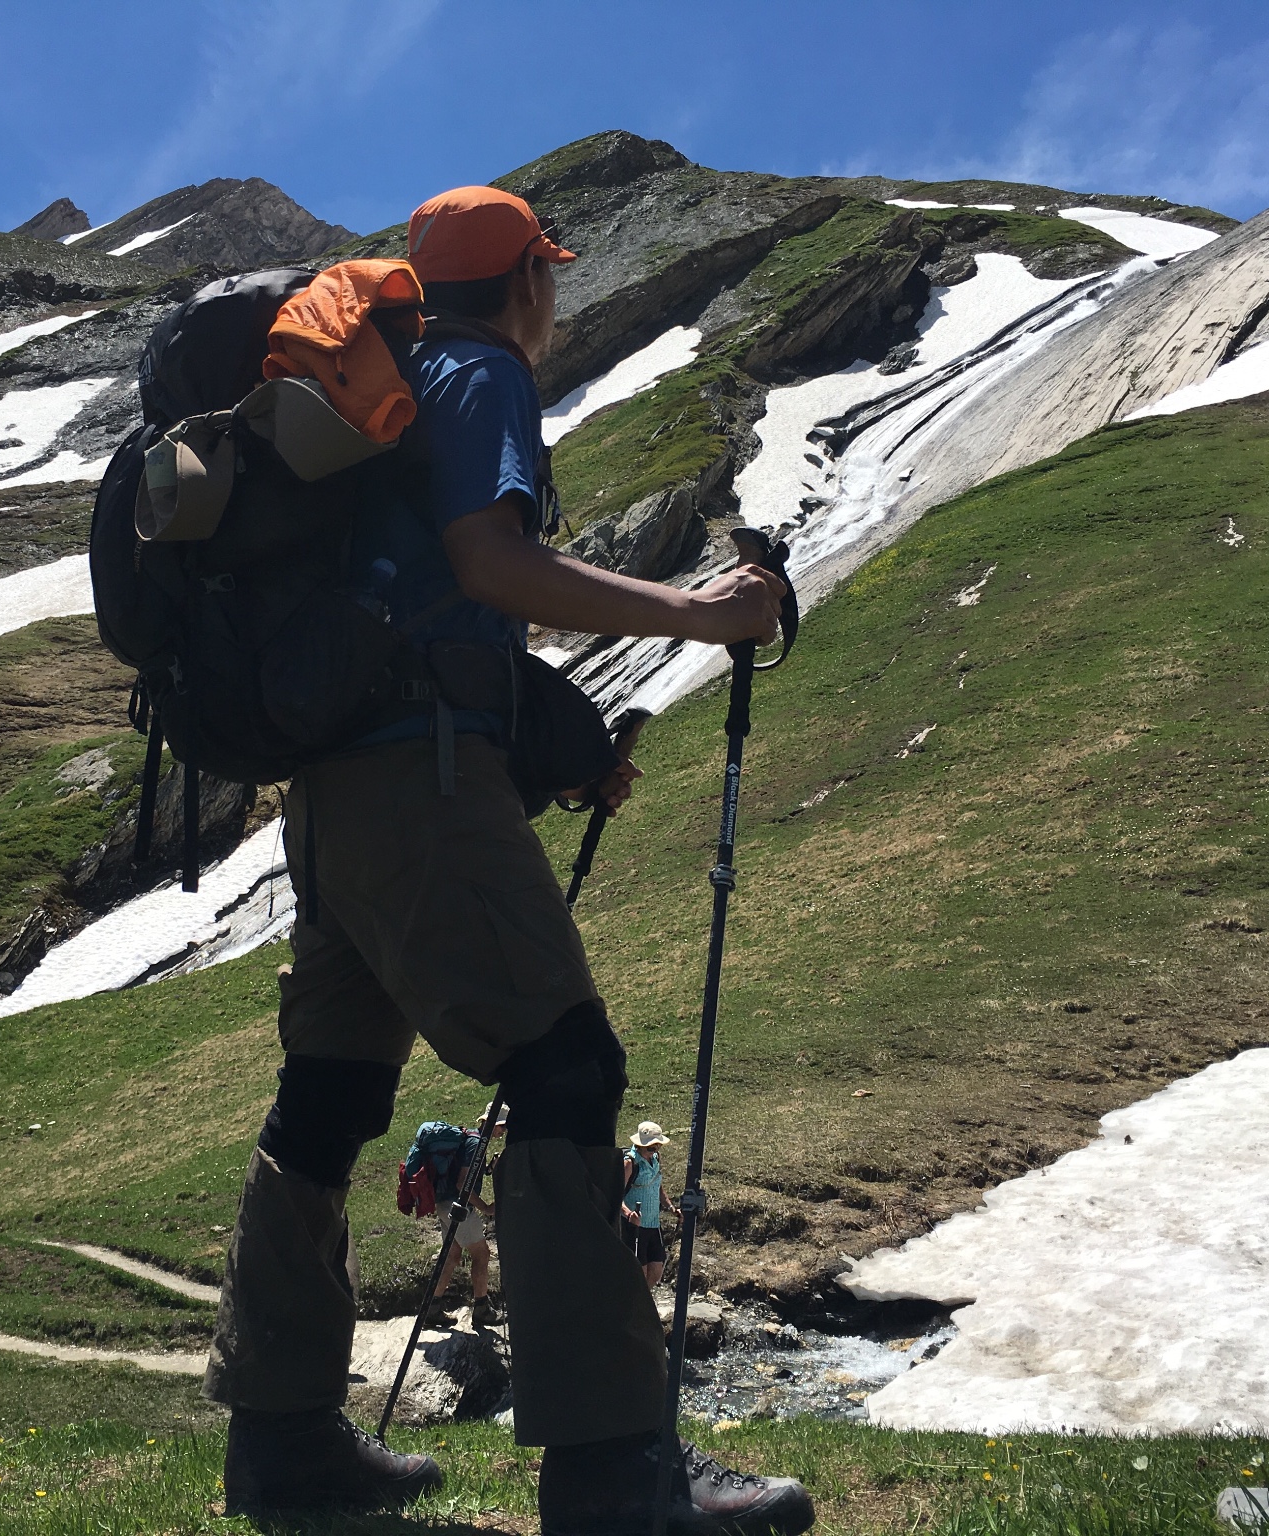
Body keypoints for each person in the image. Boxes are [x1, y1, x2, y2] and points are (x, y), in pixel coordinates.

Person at [207, 184, 811, 1536]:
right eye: (550, 274)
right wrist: (694, 614)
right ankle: (614, 1471)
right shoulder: (477, 377)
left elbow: (416, 603)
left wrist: (541, 742)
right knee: (563, 1066)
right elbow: (486, 564)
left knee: (327, 1096)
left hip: (333, 788)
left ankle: (285, 1448)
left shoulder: (381, 396)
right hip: (417, 778)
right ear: (529, 284)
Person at [424, 1110, 508, 1328]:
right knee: (482, 1254)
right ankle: (482, 1309)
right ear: (491, 1123)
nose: (504, 1130)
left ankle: (432, 1308)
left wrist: (490, 1169)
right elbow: (463, 1183)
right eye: (502, 1126)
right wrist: (486, 1208)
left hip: (443, 1203)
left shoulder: (471, 1139)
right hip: (458, 1206)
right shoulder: (476, 1144)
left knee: (452, 1256)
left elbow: (468, 1175)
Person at [620, 1122, 677, 1288]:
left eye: (657, 1147)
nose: (655, 1151)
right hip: (635, 1227)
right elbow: (616, 1196)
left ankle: (644, 1304)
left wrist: (670, 1207)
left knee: (656, 1271)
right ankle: (634, 1308)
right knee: (639, 1273)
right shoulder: (630, 1163)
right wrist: (629, 1214)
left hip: (653, 1224)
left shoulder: (656, 1159)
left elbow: (657, 1186)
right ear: (639, 1145)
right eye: (651, 1148)